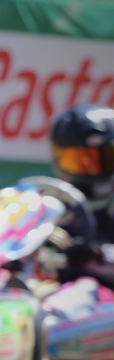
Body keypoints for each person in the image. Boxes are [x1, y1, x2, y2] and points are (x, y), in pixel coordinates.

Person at [48, 103, 114, 290]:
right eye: (78, 160)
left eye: (104, 157)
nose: (91, 169)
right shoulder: (48, 208)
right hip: (51, 293)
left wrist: (94, 256)